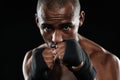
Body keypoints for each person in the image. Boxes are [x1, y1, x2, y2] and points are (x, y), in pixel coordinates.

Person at [22, 0, 120, 80]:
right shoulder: (31, 60)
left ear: (80, 19)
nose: (56, 39)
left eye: (66, 27)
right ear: (38, 21)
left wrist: (84, 70)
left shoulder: (106, 62)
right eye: (47, 28)